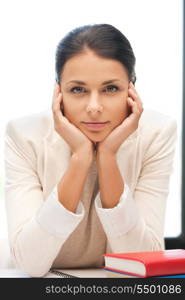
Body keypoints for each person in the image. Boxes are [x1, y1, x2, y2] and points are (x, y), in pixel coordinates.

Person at [4, 23, 177, 277]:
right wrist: (80, 158)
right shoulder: (24, 135)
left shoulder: (157, 133)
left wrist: (107, 156)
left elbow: (142, 260)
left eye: (110, 89)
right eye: (78, 90)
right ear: (58, 92)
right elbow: (31, 263)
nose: (94, 107)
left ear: (132, 89)